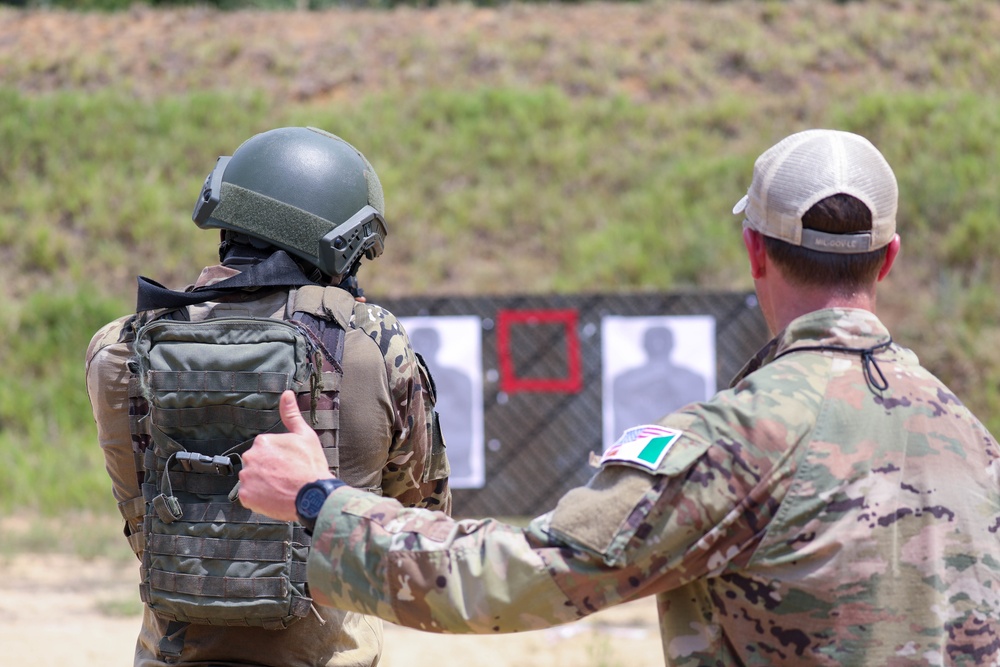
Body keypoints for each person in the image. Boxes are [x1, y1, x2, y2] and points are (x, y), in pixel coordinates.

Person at [236, 129, 1000, 665]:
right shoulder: (972, 439)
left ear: (755, 249)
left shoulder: (749, 439)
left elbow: (514, 577)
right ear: (889, 258)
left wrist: (317, 502)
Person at [85, 126, 452, 667]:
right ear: (335, 242)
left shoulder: (120, 347)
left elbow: (142, 521)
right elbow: (421, 514)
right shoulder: (369, 342)